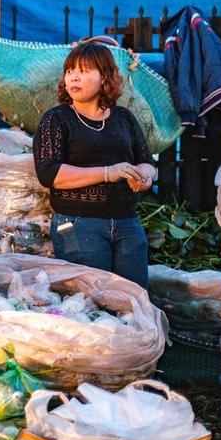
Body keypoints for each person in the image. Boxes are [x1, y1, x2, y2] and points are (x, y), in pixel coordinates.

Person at [32, 41, 156, 288]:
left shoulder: (123, 118)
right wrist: (108, 173)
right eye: (70, 71)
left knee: (135, 299)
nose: (74, 78)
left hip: (127, 224)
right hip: (78, 225)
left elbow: (147, 162)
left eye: (84, 71)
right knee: (93, 304)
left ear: (104, 78)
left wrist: (143, 176)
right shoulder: (56, 119)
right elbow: (49, 173)